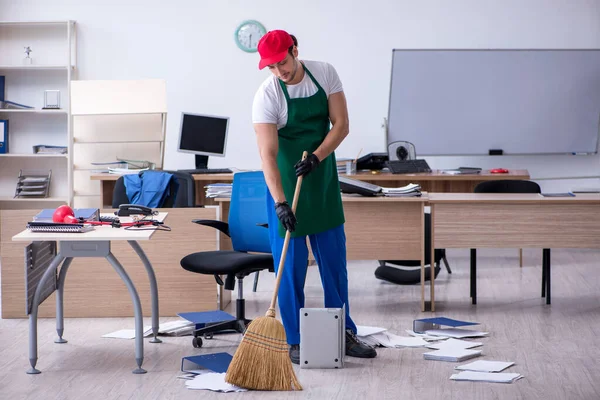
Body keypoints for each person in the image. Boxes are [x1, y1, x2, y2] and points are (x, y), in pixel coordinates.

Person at [251, 29, 377, 364]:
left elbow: (341, 125)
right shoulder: (267, 95)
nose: (279, 71)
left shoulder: (324, 73)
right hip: (285, 183)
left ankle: (343, 333)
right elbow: (267, 154)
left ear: (294, 50)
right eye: (272, 67)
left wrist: (317, 157)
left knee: (334, 264)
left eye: (282, 62)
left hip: (320, 180)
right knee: (290, 268)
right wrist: (279, 202)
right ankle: (294, 338)